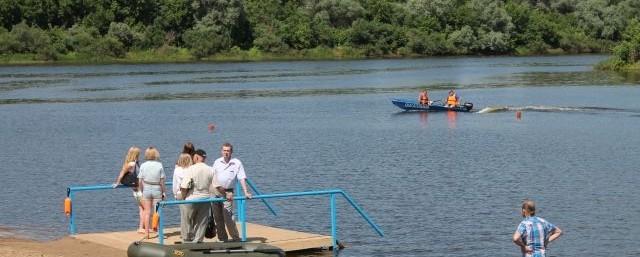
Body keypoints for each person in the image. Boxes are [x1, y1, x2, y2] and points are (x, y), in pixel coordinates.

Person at [211, 143, 252, 242]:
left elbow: (241, 177)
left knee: (228, 217)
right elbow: (212, 176)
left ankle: (235, 238)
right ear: (221, 151)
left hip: (228, 192)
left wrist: (246, 192)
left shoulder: (236, 163)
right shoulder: (217, 162)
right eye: (224, 150)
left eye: (228, 151)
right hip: (215, 191)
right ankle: (222, 239)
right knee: (217, 218)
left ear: (231, 152)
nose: (226, 153)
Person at [180, 149, 217, 243]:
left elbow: (184, 186)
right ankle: (198, 241)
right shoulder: (211, 169)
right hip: (205, 199)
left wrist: (183, 198)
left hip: (191, 199)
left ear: (196, 157)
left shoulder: (191, 169)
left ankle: (187, 240)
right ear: (204, 158)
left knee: (187, 220)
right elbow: (214, 187)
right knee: (201, 222)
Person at [113, 146, 145, 233]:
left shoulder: (134, 163)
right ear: (136, 154)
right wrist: (117, 183)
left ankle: (141, 227)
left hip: (136, 191)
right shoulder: (132, 164)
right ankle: (146, 228)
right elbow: (122, 173)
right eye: (138, 154)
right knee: (147, 209)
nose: (140, 155)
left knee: (142, 209)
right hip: (139, 191)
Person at [138, 147, 166, 239]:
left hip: (146, 188)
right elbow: (162, 181)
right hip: (157, 188)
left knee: (147, 212)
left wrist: (142, 190)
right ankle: (159, 232)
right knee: (157, 211)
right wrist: (164, 192)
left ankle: (147, 233)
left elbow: (140, 181)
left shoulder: (143, 165)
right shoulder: (159, 165)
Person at [173, 154, 193, 241]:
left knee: (183, 215)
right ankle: (192, 233)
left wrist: (175, 194)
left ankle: (185, 234)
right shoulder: (192, 169)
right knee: (192, 214)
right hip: (191, 193)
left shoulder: (177, 170)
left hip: (180, 193)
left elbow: (175, 184)